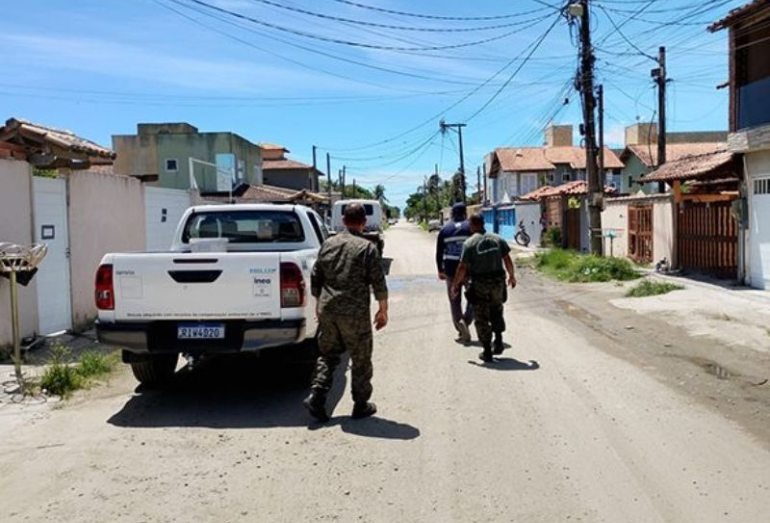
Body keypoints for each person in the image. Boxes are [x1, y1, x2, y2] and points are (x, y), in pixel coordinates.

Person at [304, 203, 389, 422]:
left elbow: (316, 276)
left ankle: (317, 395)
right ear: (363, 222)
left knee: (328, 354)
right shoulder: (366, 247)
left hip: (328, 308)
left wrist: (317, 302)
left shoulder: (328, 244)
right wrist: (383, 310)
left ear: (343, 221)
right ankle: (360, 404)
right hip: (354, 313)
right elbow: (378, 281)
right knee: (360, 358)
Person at [452, 213, 517, 363]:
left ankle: (487, 351)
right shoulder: (497, 238)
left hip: (480, 284)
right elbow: (507, 259)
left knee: (481, 317)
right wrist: (512, 276)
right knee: (497, 310)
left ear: (473, 225)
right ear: (483, 223)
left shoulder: (469, 243)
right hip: (498, 282)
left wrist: (456, 285)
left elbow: (462, 267)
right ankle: (499, 341)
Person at [436, 203, 474, 343]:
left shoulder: (445, 229)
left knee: (454, 300)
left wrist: (440, 270)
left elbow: (439, 252)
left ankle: (460, 328)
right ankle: (466, 321)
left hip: (451, 271)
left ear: (452, 213)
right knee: (474, 298)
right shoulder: (470, 227)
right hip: (470, 270)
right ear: (465, 213)